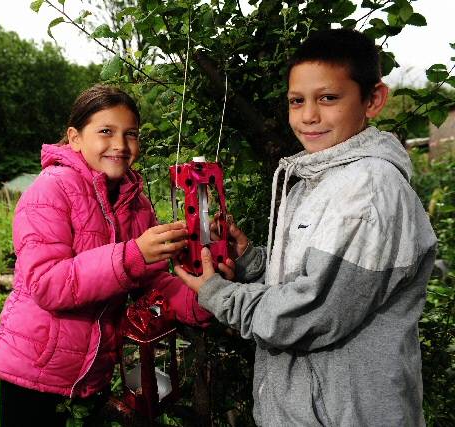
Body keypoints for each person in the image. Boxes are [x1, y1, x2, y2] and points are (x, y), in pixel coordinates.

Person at [176, 28, 437, 426]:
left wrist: (218, 294)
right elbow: (313, 280)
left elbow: (311, 313)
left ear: (373, 100)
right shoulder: (319, 176)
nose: (309, 115)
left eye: (328, 98)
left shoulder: (368, 188)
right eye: (297, 101)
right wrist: (251, 261)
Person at [0, 84, 210, 426]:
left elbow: (151, 282)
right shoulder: (51, 190)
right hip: (34, 375)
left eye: (130, 134)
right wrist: (133, 254)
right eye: (106, 131)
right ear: (75, 138)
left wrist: (206, 296)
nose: (120, 145)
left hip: (92, 377)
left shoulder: (136, 203)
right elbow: (47, 284)